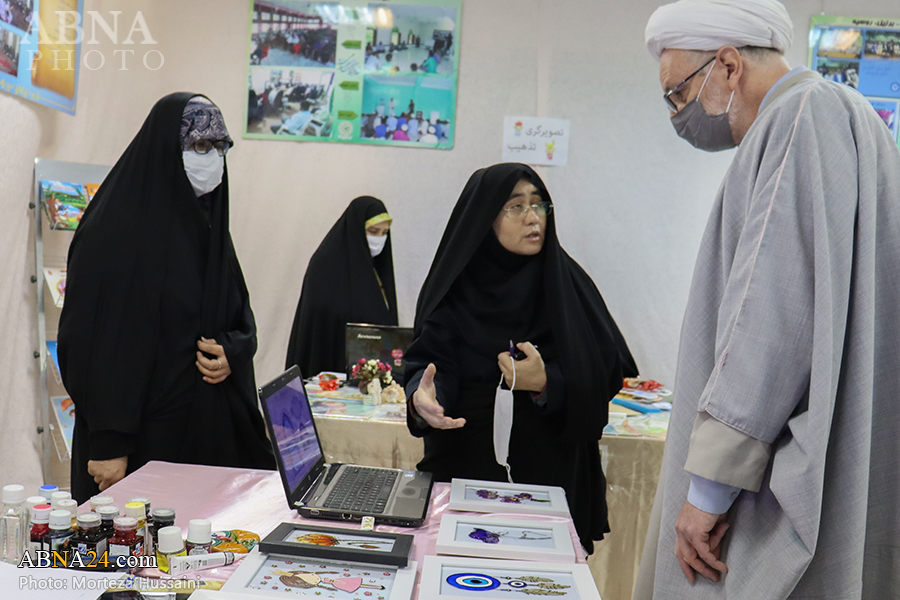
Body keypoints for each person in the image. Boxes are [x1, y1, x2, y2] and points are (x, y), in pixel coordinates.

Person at [635, 1, 900, 598]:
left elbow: (770, 319)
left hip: (769, 479)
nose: (678, 114)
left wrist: (708, 491)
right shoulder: (853, 115)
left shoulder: (800, 116)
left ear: (729, 66)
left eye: (678, 93)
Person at [404, 163, 637, 554]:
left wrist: (546, 383)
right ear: (485, 218)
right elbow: (431, 364)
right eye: (516, 206)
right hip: (466, 477)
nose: (533, 217)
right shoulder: (456, 287)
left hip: (550, 483)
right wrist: (423, 397)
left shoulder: (567, 285)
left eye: (539, 204)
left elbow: (606, 371)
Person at [58, 93, 275, 503]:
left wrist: (233, 350)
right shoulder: (113, 231)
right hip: (139, 446)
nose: (213, 159)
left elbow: (237, 312)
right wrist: (108, 441)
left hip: (203, 441)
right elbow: (93, 341)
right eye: (199, 145)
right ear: (165, 147)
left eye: (220, 147)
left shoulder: (207, 229)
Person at [286, 197, 397, 377]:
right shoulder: (325, 264)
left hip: (369, 368)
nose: (379, 239)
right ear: (356, 228)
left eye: (384, 233)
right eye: (373, 231)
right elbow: (320, 321)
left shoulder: (374, 269)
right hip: (331, 363)